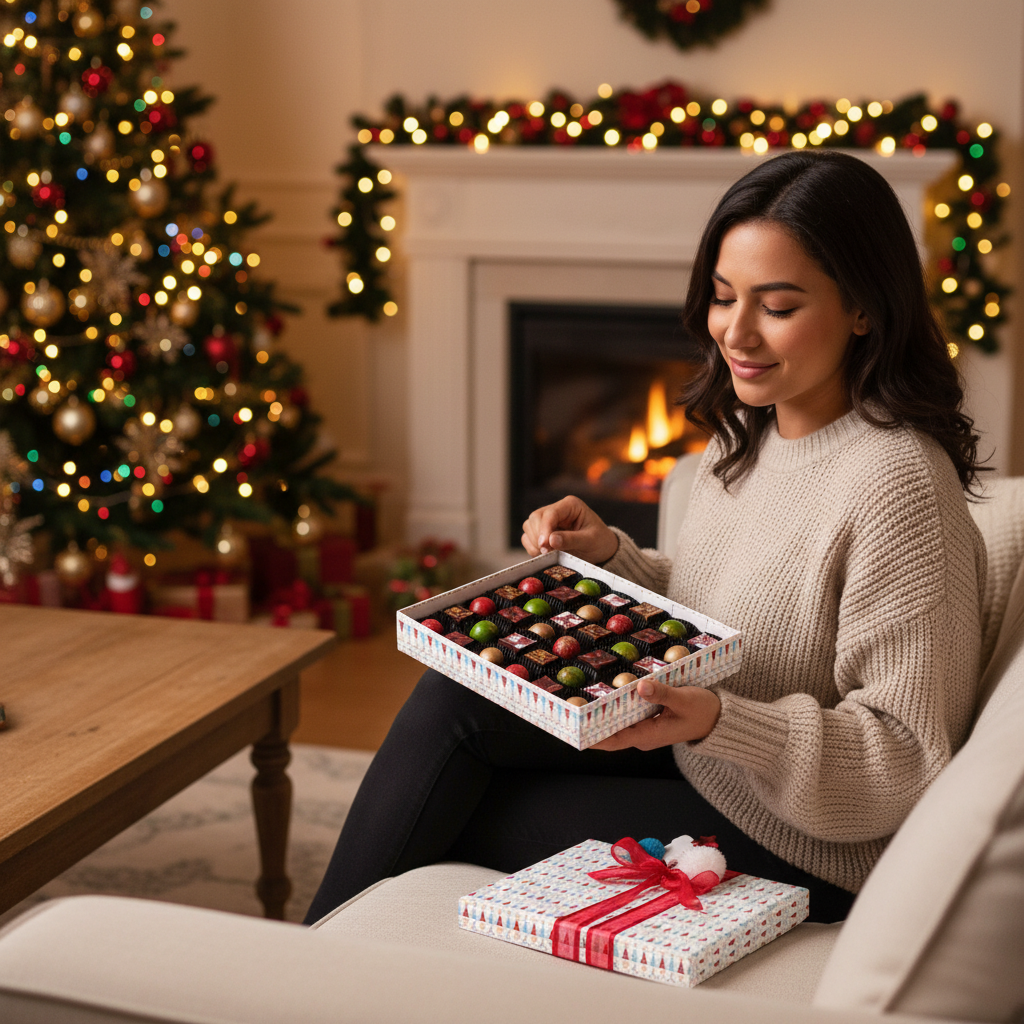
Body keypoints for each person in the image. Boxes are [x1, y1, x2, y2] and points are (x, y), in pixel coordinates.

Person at [305, 151, 987, 926]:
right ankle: (306, 964)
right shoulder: (753, 434)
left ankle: (301, 977)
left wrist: (722, 722)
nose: (736, 332)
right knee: (451, 703)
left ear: (865, 308)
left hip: (811, 841)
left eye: (779, 305)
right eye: (724, 296)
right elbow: (732, 604)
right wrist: (613, 557)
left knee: (460, 804)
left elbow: (902, 757)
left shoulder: (897, 483)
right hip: (711, 759)